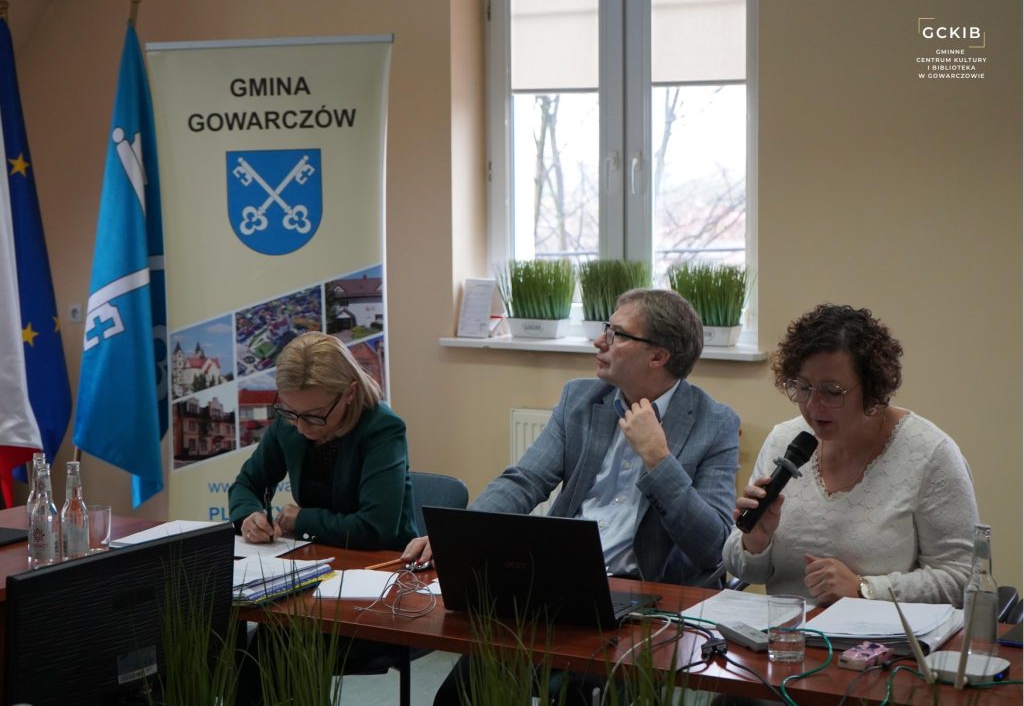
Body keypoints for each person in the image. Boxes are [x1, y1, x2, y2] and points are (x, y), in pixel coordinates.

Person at [409, 288, 740, 705]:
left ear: (658, 355)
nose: (600, 341)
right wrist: (461, 538)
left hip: (644, 602)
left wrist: (659, 460)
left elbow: (713, 546)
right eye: (606, 329)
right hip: (560, 584)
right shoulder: (580, 400)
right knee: (465, 691)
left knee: (580, 693)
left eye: (617, 334)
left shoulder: (714, 423)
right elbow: (525, 480)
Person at [721, 304, 978, 607]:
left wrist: (865, 589)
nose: (813, 406)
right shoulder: (784, 441)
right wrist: (755, 541)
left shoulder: (931, 454)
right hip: (784, 632)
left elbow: (963, 579)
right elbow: (743, 569)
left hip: (882, 636)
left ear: (872, 388)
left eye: (832, 392)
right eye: (803, 388)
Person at [229, 330, 417, 551]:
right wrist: (249, 516)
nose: (301, 427)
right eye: (291, 411)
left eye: (315, 415)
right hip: (315, 553)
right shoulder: (290, 421)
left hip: (384, 560)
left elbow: (374, 529)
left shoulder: (382, 428)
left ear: (349, 393)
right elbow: (247, 484)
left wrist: (301, 519)